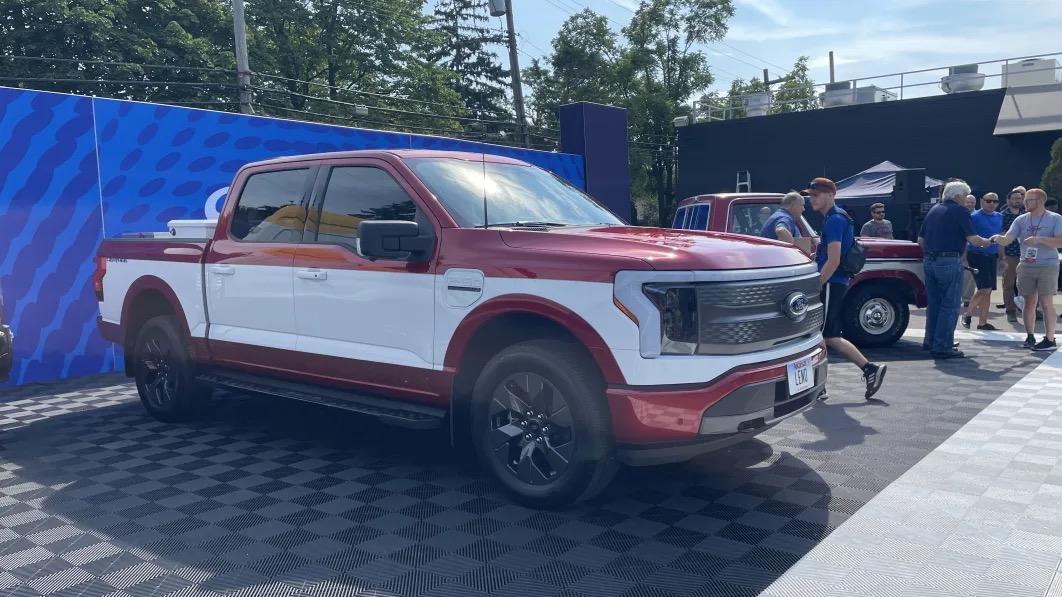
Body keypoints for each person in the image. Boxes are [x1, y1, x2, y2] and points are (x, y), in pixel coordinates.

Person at [806, 177, 887, 399]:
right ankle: (869, 369)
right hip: (836, 282)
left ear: (831, 196)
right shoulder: (836, 218)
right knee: (829, 334)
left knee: (821, 335)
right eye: (811, 195)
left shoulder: (834, 220)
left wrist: (817, 285)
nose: (812, 199)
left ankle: (819, 386)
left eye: (816, 195)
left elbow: (833, 260)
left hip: (832, 282)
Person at [918, 180, 994, 358]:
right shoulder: (960, 211)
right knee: (950, 305)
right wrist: (989, 241)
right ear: (959, 196)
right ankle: (943, 346)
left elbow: (920, 241)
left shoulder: (933, 210)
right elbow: (973, 238)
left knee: (935, 303)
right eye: (966, 196)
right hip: (949, 260)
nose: (967, 199)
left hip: (929, 260)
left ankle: (930, 340)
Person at [990, 188, 1062, 351]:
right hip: (1026, 265)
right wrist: (996, 239)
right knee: (1028, 302)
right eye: (1025, 199)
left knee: (1046, 302)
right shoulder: (1021, 219)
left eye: (1029, 200)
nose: (1024, 202)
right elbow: (1008, 238)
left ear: (1041, 201)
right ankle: (1030, 336)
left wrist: (1039, 239)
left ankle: (1050, 339)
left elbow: (1060, 242)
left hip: (1048, 265)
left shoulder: (1055, 219)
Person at [961, 193, 1002, 330]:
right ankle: (967, 314)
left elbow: (1001, 239)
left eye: (995, 201)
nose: (992, 204)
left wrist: (1003, 258)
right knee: (985, 288)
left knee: (988, 290)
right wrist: (964, 257)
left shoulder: (999, 217)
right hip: (976, 255)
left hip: (992, 256)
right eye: (988, 201)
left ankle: (982, 322)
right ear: (981, 201)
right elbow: (966, 237)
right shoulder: (974, 217)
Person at [999, 187, 1025, 322]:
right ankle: (1010, 310)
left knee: (1027, 284)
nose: (1018, 201)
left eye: (1020, 198)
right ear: (1008, 200)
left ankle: (1029, 309)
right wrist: (1002, 257)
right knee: (1009, 283)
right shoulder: (1002, 216)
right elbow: (1001, 236)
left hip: (1027, 255)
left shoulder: (1027, 214)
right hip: (1010, 254)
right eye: (1015, 198)